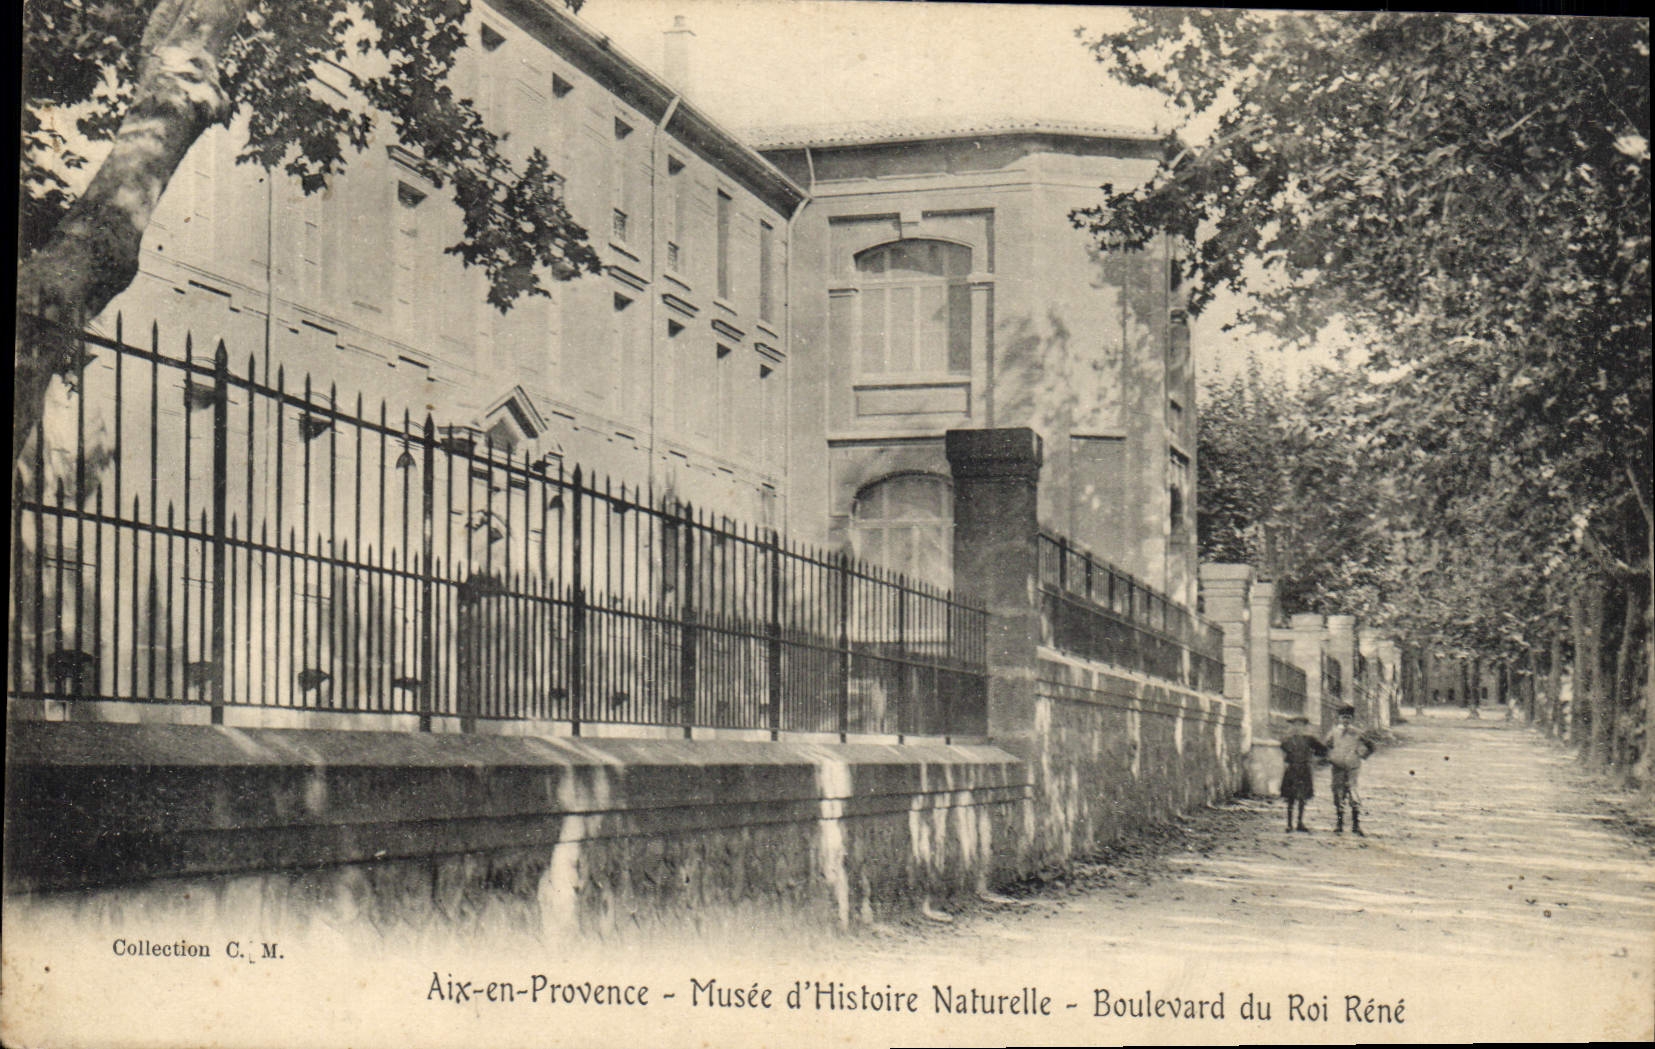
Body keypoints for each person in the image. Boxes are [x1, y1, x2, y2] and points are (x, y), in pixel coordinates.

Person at [1324, 704, 1375, 836]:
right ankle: (1339, 824)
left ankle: (1356, 825)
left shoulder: (1357, 732)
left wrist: (1362, 756)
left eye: (1348, 718)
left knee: (1353, 792)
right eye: (1343, 717)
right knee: (1338, 793)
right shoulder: (1333, 732)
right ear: (1339, 718)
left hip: (1352, 767)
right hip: (1337, 767)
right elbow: (1326, 746)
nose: (1345, 720)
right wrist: (1330, 757)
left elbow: (1371, 745)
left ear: (1352, 719)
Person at [1278, 715, 1327, 833]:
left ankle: (1300, 822)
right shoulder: (1287, 740)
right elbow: (1283, 753)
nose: (1298, 728)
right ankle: (1289, 824)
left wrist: (1314, 759)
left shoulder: (1310, 740)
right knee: (1290, 797)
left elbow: (1322, 751)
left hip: (1304, 769)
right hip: (1292, 770)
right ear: (1292, 726)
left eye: (1300, 725)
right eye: (1295, 725)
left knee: (1302, 797)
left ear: (1304, 727)